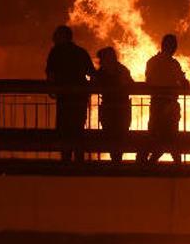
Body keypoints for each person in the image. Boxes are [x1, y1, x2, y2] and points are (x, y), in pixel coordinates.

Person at [45, 25, 94, 162]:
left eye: (56, 36)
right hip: (79, 98)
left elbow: (51, 73)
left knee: (64, 129)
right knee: (78, 129)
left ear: (62, 36)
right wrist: (89, 89)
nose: (54, 39)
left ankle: (66, 160)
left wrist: (52, 89)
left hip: (65, 98)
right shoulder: (80, 52)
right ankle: (79, 161)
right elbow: (92, 73)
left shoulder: (55, 52)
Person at [142, 34, 189, 164]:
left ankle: (146, 161)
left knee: (154, 133)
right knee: (171, 134)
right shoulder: (173, 64)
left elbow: (148, 81)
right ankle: (177, 163)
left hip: (156, 102)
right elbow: (181, 81)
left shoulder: (152, 62)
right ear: (174, 47)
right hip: (170, 103)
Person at [93, 47, 134, 163]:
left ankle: (116, 161)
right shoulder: (121, 70)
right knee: (118, 137)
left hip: (113, 109)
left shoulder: (103, 72)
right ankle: (117, 161)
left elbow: (94, 83)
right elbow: (132, 85)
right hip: (119, 109)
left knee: (114, 136)